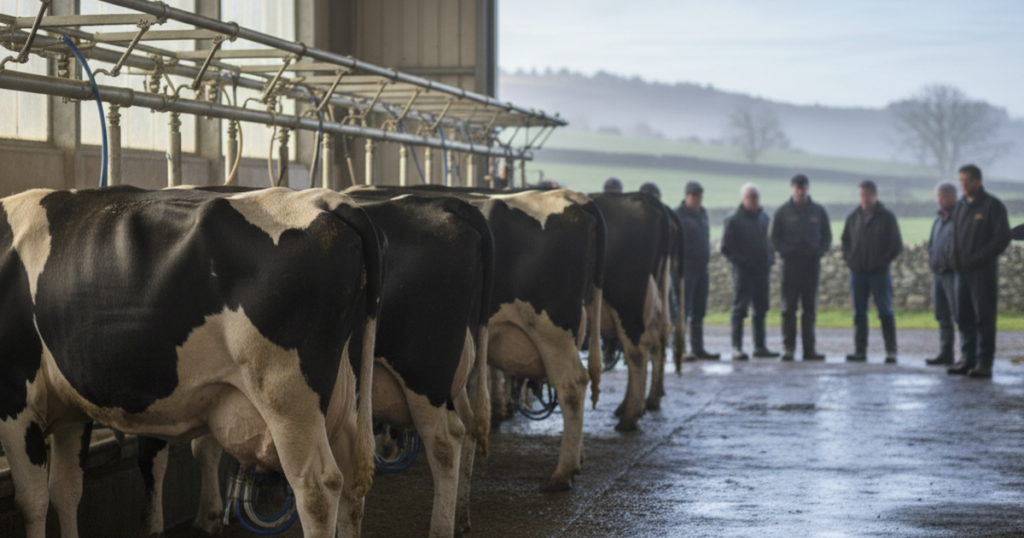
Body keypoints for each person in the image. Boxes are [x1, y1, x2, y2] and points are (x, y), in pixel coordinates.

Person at [947, 164, 1011, 379]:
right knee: (963, 316)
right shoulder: (960, 206)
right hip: (961, 272)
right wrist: (953, 258)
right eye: (961, 181)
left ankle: (984, 363)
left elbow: (1002, 238)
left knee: (984, 318)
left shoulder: (993, 206)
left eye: (967, 181)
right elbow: (954, 236)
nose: (963, 185)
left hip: (983, 273)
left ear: (978, 181)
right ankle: (968, 360)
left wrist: (978, 259)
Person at [770, 174, 832, 362]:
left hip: (811, 265)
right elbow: (774, 239)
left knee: (809, 309)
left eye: (803, 187)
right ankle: (788, 348)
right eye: (797, 187)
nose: (800, 191)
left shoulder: (818, 211)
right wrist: (785, 252)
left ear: (808, 188)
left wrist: (818, 252)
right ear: (792, 188)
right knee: (788, 309)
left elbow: (827, 237)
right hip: (791, 265)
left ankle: (809, 349)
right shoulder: (782, 212)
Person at [841, 180, 902, 363]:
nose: (865, 199)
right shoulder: (853, 217)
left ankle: (891, 351)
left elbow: (896, 245)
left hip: (879, 273)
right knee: (859, 313)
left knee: (885, 311)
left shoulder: (887, 217)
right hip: (857, 273)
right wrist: (850, 260)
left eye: (868, 195)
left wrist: (881, 261)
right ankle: (860, 351)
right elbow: (845, 241)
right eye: (862, 195)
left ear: (875, 195)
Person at [721, 183, 779, 361]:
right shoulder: (733, 219)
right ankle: (736, 347)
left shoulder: (764, 217)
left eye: (755, 197)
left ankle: (760, 346)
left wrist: (770, 258)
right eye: (749, 197)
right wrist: (742, 262)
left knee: (761, 308)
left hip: (762, 270)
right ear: (743, 198)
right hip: (743, 271)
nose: (753, 200)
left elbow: (767, 241)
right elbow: (726, 247)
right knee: (739, 309)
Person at [676, 181, 720, 360]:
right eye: (693, 195)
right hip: (685, 268)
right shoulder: (678, 215)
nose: (697, 199)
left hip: (702, 267)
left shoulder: (703, 214)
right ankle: (680, 348)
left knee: (699, 310)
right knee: (683, 310)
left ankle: (698, 348)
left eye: (699, 195)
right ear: (687, 196)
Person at [925, 182, 960, 366]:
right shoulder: (940, 219)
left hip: (953, 274)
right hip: (938, 274)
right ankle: (946, 353)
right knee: (942, 315)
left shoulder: (959, 217)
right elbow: (932, 244)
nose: (939, 201)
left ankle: (967, 356)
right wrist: (932, 260)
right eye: (938, 197)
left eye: (942, 197)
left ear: (952, 197)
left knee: (960, 315)